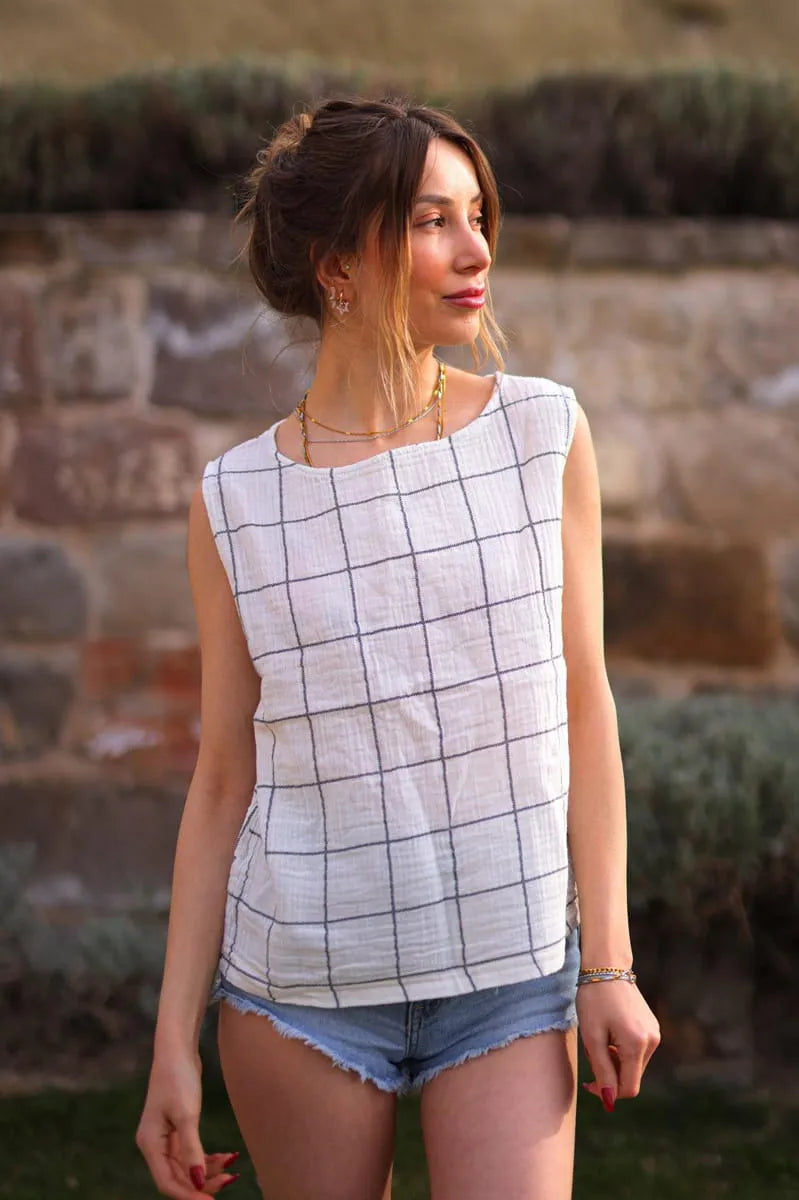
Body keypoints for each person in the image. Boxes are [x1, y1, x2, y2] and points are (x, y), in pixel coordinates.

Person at [135, 96, 660, 1200]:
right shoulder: (234, 500)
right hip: (299, 993)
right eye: (432, 221)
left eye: (477, 216)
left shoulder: (541, 434)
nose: (476, 251)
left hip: (512, 974)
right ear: (337, 261)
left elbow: (582, 701)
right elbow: (225, 773)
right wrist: (172, 1040)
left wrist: (607, 962)